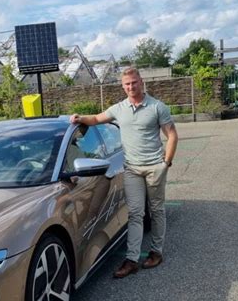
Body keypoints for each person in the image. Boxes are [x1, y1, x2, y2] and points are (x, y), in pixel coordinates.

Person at [70, 67, 178, 278]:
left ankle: (156, 252)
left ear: (141, 82)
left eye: (134, 82)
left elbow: (172, 135)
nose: (131, 87)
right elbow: (96, 119)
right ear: (123, 86)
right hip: (132, 169)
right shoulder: (119, 109)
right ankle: (132, 259)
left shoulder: (157, 107)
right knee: (135, 213)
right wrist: (79, 117)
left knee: (156, 210)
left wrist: (166, 163)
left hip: (154, 167)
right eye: (127, 84)